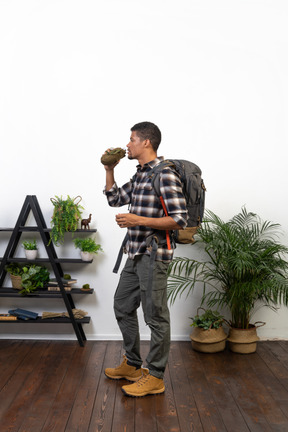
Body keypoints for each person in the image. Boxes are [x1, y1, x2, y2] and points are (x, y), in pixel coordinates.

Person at [103, 121, 187, 397]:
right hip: (135, 252)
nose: (127, 144)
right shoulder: (140, 175)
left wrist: (137, 219)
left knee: (155, 316)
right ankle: (133, 364)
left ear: (146, 142)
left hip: (154, 254)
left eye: (131, 139)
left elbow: (179, 219)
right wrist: (109, 170)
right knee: (123, 305)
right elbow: (115, 199)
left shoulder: (165, 175)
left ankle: (155, 376)